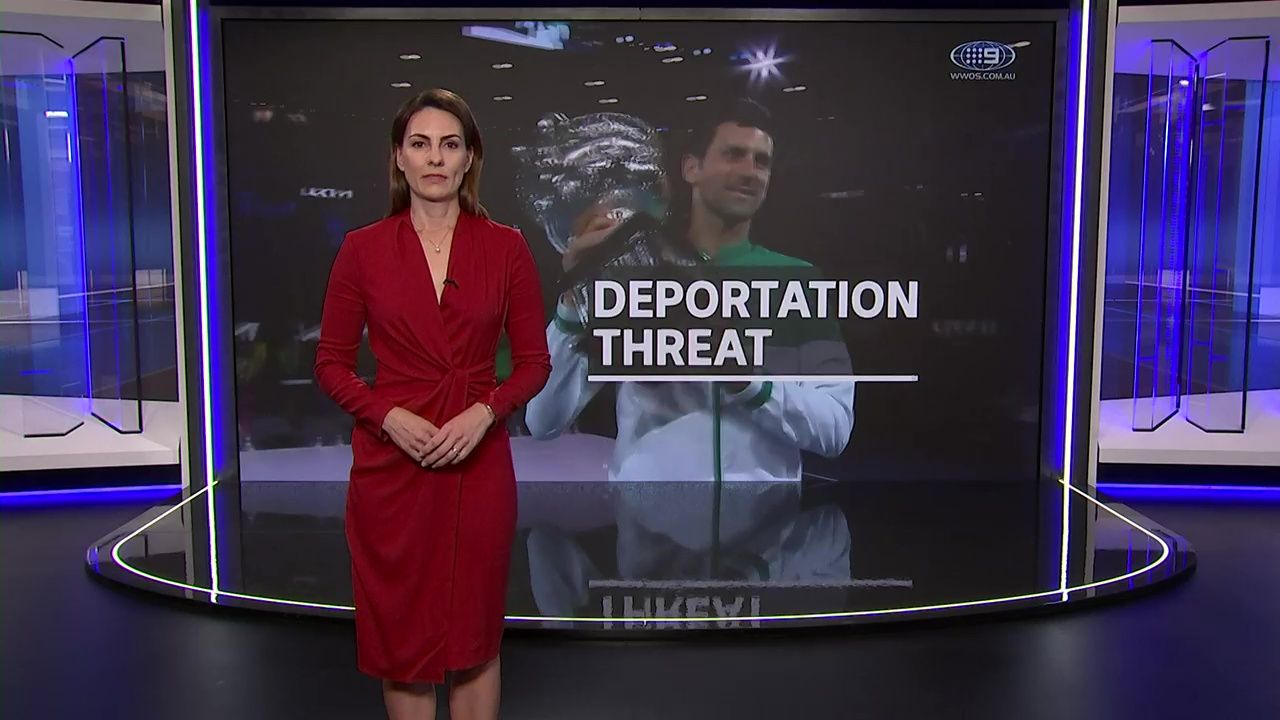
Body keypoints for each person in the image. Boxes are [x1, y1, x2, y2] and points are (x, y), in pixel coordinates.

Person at [314, 88, 550, 720]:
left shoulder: (506, 247)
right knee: (403, 643)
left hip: (478, 463)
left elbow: (535, 363)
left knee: (474, 639)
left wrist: (485, 411)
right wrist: (386, 416)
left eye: (450, 144)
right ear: (399, 156)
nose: (436, 158)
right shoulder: (362, 249)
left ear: (470, 157)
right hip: (393, 467)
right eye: (420, 144)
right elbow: (331, 363)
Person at [526, 98, 855, 486]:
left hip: (766, 521)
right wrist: (574, 301)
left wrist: (748, 381)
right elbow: (542, 420)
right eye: (733, 154)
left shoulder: (797, 281)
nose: (750, 172)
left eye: (761, 161)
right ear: (691, 168)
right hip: (649, 520)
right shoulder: (635, 273)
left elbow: (835, 428)